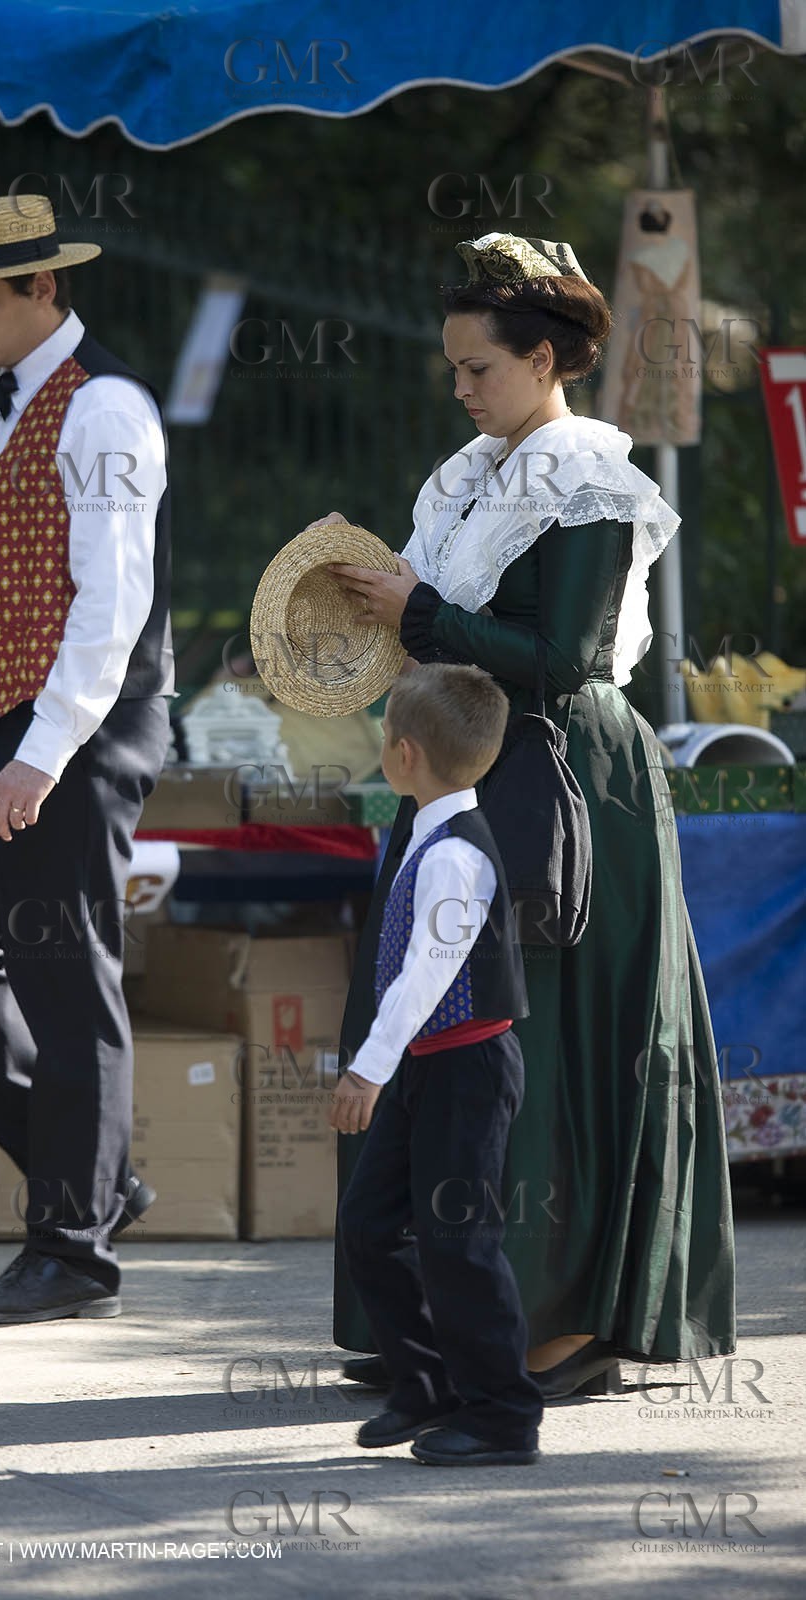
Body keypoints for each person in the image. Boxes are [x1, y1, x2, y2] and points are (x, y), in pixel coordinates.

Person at [324, 231, 736, 1398]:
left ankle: (559, 1325)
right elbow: (435, 617)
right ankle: (426, 1320)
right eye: (452, 368)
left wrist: (424, 613)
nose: (458, 388)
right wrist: (372, 612)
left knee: (532, 1040)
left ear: (544, 359)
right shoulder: (466, 475)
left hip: (558, 784)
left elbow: (565, 658)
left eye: (477, 369)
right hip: (458, 768)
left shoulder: (589, 476)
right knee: (431, 1027)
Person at [0, 194, 174, 1323]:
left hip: (74, 727)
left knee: (68, 990)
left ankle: (74, 1247)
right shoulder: (0, 418)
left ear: (43, 290)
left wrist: (45, 749)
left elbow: (112, 604)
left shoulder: (104, 408)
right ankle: (103, 1180)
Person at [331, 663, 543, 1466]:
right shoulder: (429, 829)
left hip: (466, 1069)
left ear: (404, 753)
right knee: (370, 1224)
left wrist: (367, 1070)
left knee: (460, 1242)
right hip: (428, 1065)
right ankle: (425, 1385)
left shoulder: (457, 856)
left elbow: (430, 969)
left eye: (385, 733)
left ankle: (501, 1416)